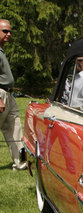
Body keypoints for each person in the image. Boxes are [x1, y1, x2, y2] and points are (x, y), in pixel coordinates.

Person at [0, 19, 25, 170]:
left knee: (15, 127)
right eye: (5, 31)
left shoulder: (1, 50)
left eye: (10, 31)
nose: (8, 34)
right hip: (0, 94)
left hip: (9, 95)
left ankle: (20, 162)